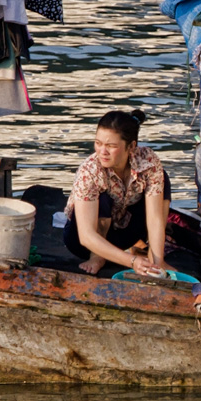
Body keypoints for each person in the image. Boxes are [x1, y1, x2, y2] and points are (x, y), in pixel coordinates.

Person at [63, 109, 174, 276]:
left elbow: (155, 217)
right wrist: (132, 262)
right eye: (98, 143)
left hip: (124, 233)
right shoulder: (90, 170)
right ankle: (98, 256)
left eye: (111, 146)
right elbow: (85, 236)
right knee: (103, 197)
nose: (102, 152)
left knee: (162, 179)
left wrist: (157, 263)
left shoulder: (148, 161)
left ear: (131, 146)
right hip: (85, 243)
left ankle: (155, 258)